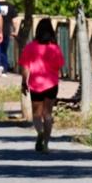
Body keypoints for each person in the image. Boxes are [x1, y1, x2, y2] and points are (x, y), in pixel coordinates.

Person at [18, 19, 65, 153]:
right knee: (48, 114)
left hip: (35, 84)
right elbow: (60, 66)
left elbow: (25, 68)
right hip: (51, 84)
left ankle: (39, 132)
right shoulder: (55, 48)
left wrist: (24, 83)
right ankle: (46, 144)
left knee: (37, 114)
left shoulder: (30, 47)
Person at [0, 0, 17, 76]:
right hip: (7, 31)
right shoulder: (10, 6)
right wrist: (15, 30)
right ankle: (4, 70)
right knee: (4, 50)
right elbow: (15, 20)